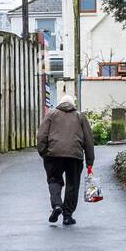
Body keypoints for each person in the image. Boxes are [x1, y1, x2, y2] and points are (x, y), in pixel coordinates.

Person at [36, 95, 95, 225]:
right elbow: (88, 140)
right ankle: (67, 216)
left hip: (53, 155)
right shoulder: (80, 116)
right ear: (72, 104)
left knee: (54, 180)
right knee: (72, 185)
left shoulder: (51, 115)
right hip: (75, 155)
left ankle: (57, 205)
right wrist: (90, 161)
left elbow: (41, 136)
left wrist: (44, 153)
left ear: (60, 103)